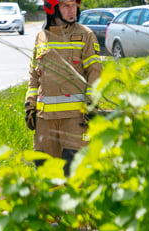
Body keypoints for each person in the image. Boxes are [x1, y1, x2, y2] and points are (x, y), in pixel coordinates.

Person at [25, 0, 100, 171]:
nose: (71, 10)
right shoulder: (41, 37)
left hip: (74, 120)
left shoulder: (85, 35)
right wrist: (30, 104)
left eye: (74, 5)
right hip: (45, 121)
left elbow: (95, 74)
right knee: (44, 174)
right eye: (66, 5)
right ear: (53, 8)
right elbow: (34, 75)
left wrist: (91, 104)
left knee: (73, 174)